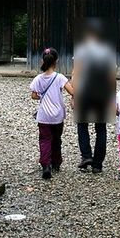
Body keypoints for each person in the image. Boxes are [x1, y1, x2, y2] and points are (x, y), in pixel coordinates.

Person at [70, 18, 117, 173]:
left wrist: (73, 95)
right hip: (102, 92)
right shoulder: (108, 51)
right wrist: (112, 97)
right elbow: (112, 76)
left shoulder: (81, 49)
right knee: (101, 127)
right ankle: (97, 164)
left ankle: (86, 156)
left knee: (82, 124)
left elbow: (76, 73)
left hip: (84, 91)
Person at [30, 47, 74, 180]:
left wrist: (43, 97)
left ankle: (45, 165)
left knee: (44, 140)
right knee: (56, 139)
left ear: (43, 61)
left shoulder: (38, 78)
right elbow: (72, 92)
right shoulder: (60, 77)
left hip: (43, 116)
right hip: (57, 116)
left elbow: (33, 95)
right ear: (56, 61)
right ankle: (56, 162)